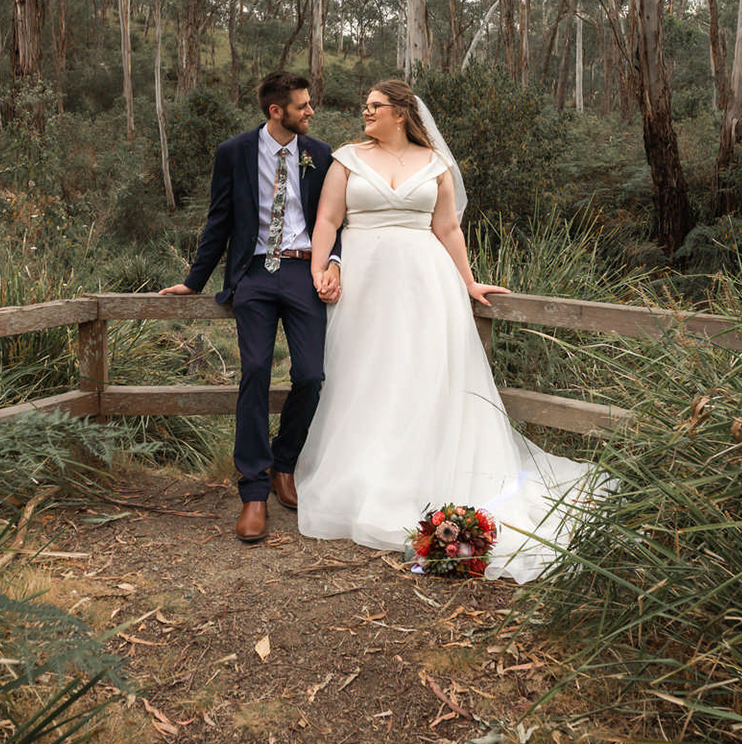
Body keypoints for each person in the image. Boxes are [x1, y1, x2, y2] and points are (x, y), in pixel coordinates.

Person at [294, 79, 601, 582]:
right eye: (365, 106)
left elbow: (447, 229)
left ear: (400, 113)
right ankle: (364, 477)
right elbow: (327, 220)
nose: (365, 112)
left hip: (426, 283)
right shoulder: (346, 159)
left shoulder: (435, 163)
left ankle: (424, 475)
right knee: (365, 376)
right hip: (364, 283)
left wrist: (469, 281)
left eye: (374, 106)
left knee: (423, 376)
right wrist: (320, 270)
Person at [162, 72, 339, 543]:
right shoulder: (234, 152)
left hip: (303, 271)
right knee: (256, 370)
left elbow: (333, 221)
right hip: (255, 273)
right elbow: (219, 219)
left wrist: (333, 264)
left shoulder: (320, 155)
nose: (310, 111)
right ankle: (254, 491)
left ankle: (285, 463)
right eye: (302, 105)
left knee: (310, 376)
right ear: (276, 111)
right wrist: (193, 281)